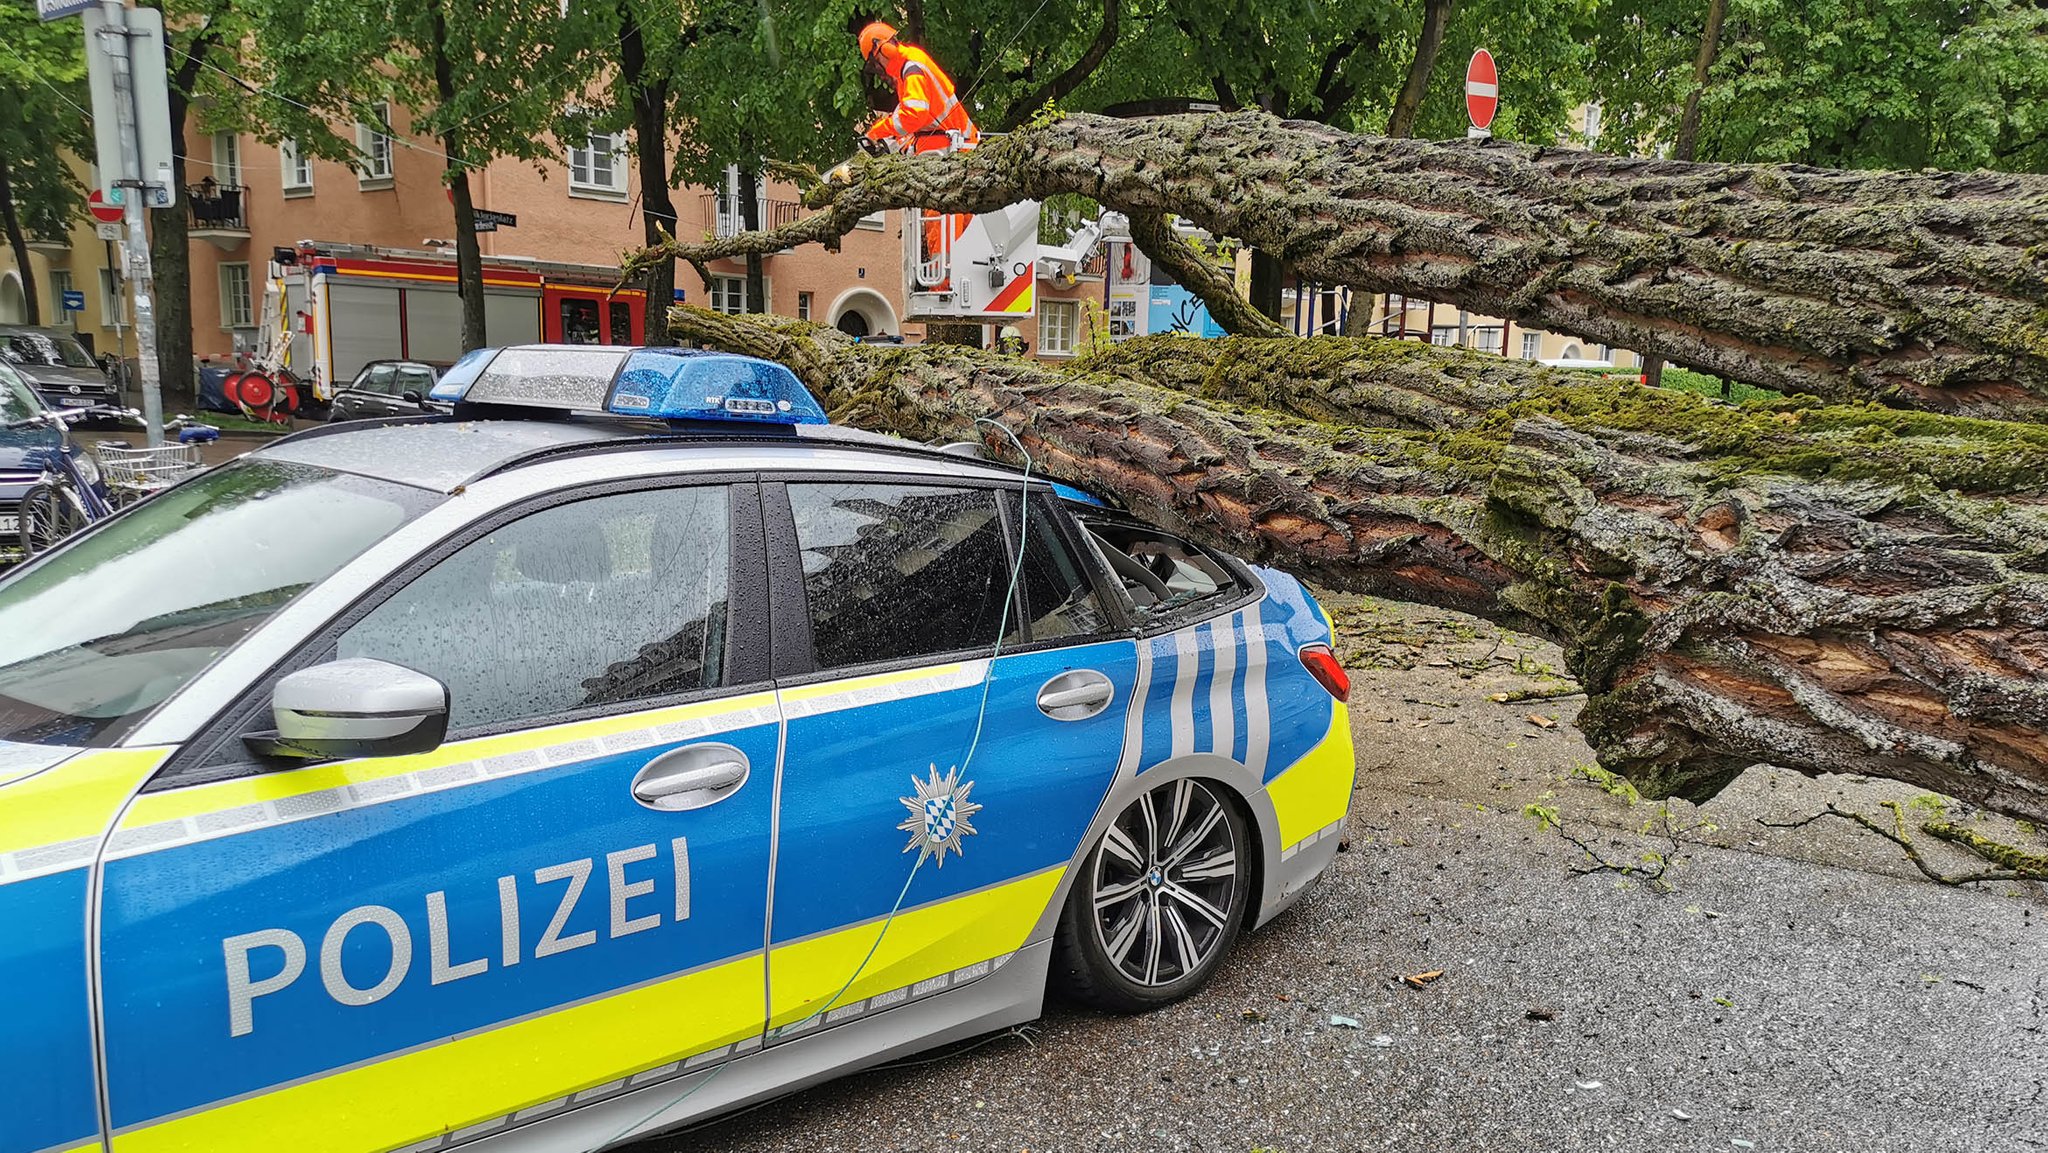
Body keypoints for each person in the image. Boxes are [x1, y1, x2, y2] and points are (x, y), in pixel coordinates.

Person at [858, 21, 977, 290]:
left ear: (882, 47)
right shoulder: (907, 72)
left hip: (951, 148)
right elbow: (915, 124)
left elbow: (915, 113)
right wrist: (895, 144)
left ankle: (944, 282)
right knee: (951, 218)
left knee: (941, 213)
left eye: (875, 61)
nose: (878, 69)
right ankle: (947, 278)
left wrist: (878, 131)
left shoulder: (911, 66)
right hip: (946, 147)